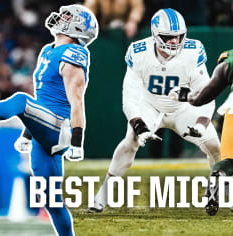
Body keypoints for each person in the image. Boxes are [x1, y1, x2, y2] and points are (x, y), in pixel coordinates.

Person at [0, 5, 98, 236]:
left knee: (21, 99)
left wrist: (77, 141)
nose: (62, 18)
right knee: (52, 201)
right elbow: (42, 102)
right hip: (44, 129)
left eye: (68, 17)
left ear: (78, 28)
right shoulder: (48, 51)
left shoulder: (73, 54)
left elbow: (76, 101)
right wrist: (28, 134)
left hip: (59, 128)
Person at [89, 8, 224, 213]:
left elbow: (206, 94)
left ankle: (215, 189)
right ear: (154, 34)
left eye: (178, 36)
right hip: (149, 106)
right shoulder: (139, 51)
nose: (174, 42)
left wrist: (202, 123)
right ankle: (103, 194)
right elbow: (129, 97)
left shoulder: (193, 50)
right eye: (168, 37)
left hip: (182, 108)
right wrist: (139, 125)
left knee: (214, 144)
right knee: (130, 142)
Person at [169, 17, 233, 216]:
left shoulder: (230, 56)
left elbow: (201, 97)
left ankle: (217, 175)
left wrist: (184, 95)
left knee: (230, 160)